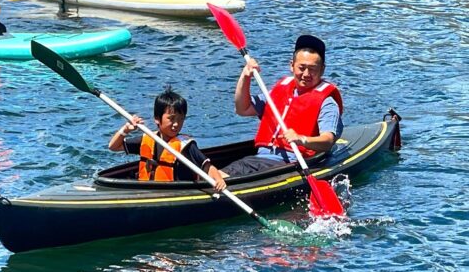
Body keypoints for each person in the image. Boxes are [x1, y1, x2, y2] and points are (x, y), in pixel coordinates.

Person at [222, 35, 344, 177]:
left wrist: (301, 139)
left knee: (220, 175)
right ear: (291, 65)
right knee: (211, 170)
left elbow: (327, 140)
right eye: (302, 68)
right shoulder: (280, 90)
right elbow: (242, 109)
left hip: (288, 163)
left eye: (313, 69)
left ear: (322, 70)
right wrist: (245, 77)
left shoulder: (327, 102)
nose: (306, 74)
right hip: (260, 160)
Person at [109, 87, 226, 193]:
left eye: (181, 119)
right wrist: (126, 130)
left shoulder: (185, 145)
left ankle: (225, 175)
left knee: (222, 174)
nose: (176, 124)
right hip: (147, 190)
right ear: (157, 119)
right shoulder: (147, 139)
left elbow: (207, 167)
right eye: (171, 119)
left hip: (176, 192)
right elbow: (113, 147)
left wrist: (218, 179)